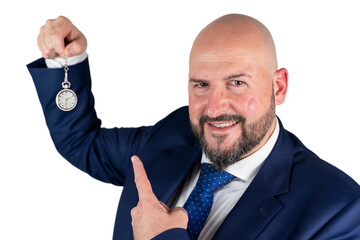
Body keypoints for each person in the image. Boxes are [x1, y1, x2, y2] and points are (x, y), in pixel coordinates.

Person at [28, 14, 360, 240]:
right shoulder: (175, 133)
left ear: (279, 88)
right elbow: (82, 142)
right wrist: (65, 62)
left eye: (237, 83)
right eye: (201, 85)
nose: (214, 108)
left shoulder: (339, 210)